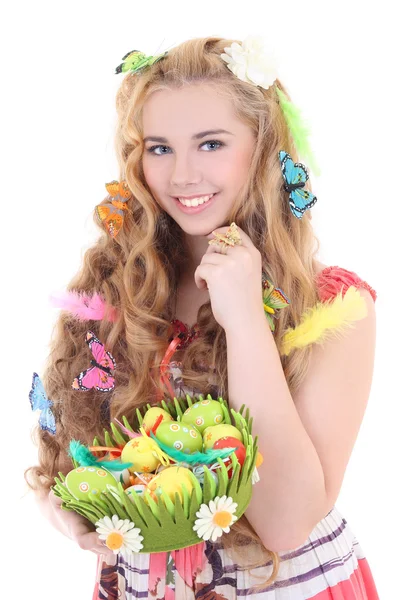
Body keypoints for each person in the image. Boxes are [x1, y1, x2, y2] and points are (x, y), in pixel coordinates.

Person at [26, 35, 380, 599]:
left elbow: (286, 523)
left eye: (211, 144)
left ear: (262, 148)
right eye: (159, 148)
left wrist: (245, 320)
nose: (183, 175)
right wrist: (66, 513)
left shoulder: (332, 307)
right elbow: (60, 457)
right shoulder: (120, 289)